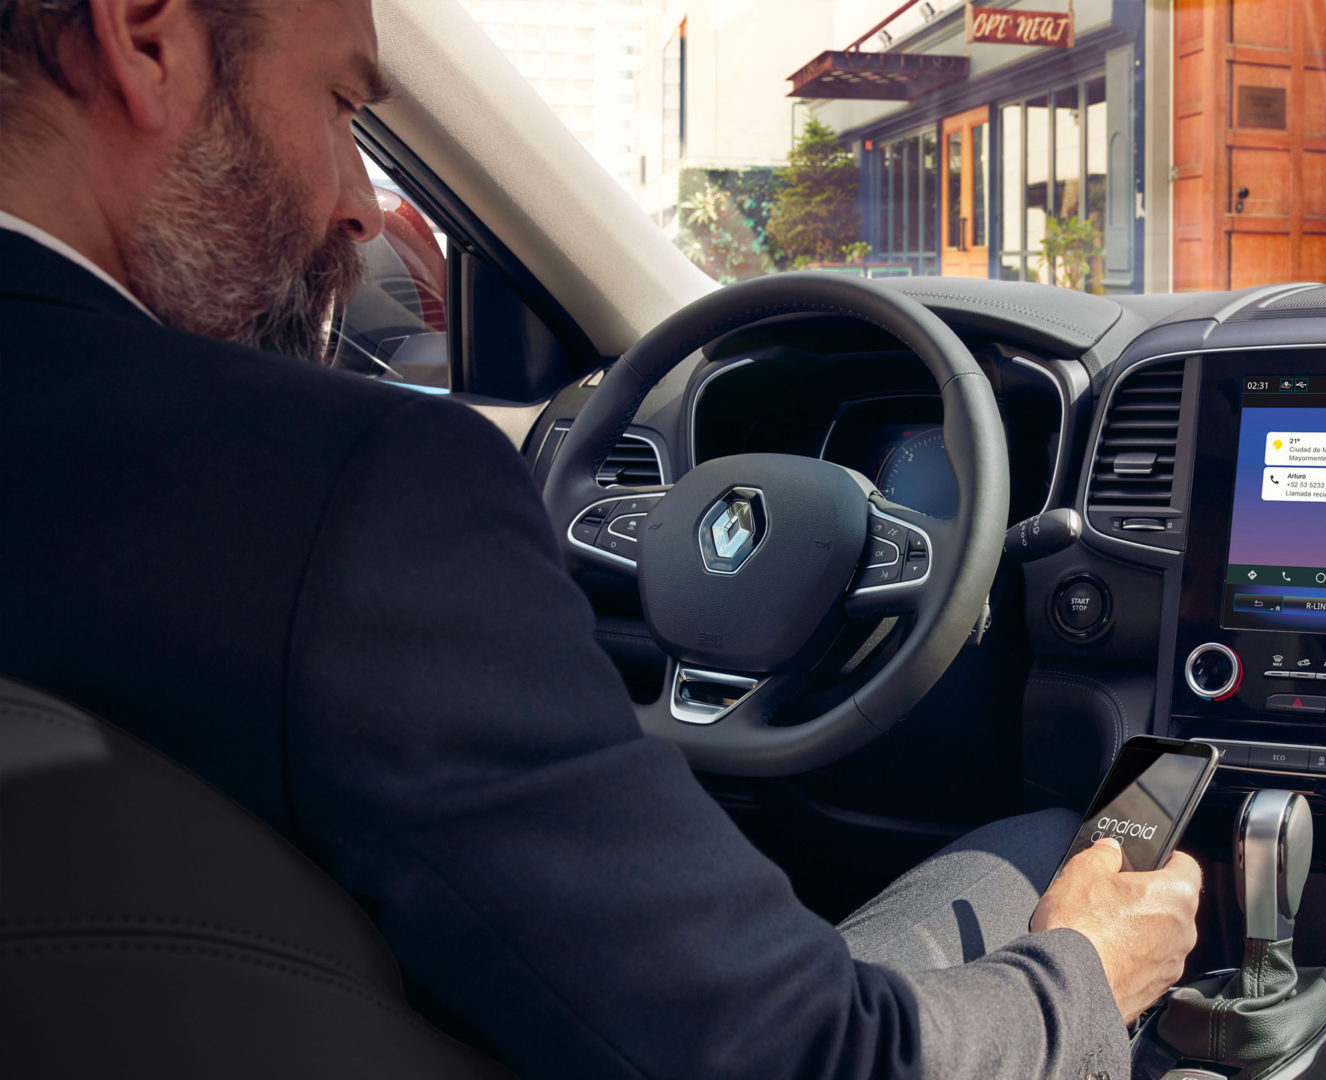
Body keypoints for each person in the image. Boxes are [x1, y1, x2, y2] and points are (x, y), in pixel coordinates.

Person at [0, 2, 1204, 1078]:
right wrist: (1088, 978)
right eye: (340, 104)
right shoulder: (356, 493)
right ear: (145, 38)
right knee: (1065, 844)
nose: (360, 203)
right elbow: (808, 1057)